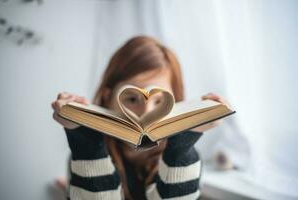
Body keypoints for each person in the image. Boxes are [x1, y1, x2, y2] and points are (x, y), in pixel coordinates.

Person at [51, 36, 230, 200]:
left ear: (174, 104)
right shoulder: (85, 153)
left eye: (160, 101)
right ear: (108, 98)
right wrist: (84, 138)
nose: (146, 114)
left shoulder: (186, 159)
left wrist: (185, 138)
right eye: (131, 98)